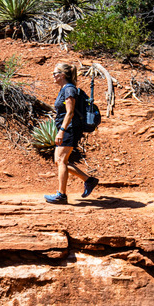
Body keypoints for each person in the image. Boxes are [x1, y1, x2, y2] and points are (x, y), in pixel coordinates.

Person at [44, 63, 99, 204]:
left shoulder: (69, 90)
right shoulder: (65, 89)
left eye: (55, 73)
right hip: (67, 128)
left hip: (69, 129)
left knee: (61, 160)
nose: (53, 76)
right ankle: (89, 180)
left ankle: (61, 195)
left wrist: (61, 131)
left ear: (62, 75)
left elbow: (70, 112)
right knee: (60, 161)